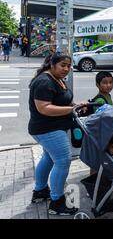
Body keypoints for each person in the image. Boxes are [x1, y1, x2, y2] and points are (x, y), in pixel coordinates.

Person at [29, 52, 83, 216]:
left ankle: (40, 191)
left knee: (48, 158)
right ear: (52, 64)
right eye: (63, 65)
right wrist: (71, 109)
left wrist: (76, 105)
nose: (67, 69)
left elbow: (61, 100)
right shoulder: (44, 82)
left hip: (51, 128)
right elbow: (44, 108)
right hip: (47, 129)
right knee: (62, 160)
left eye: (69, 65)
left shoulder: (56, 78)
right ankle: (57, 202)